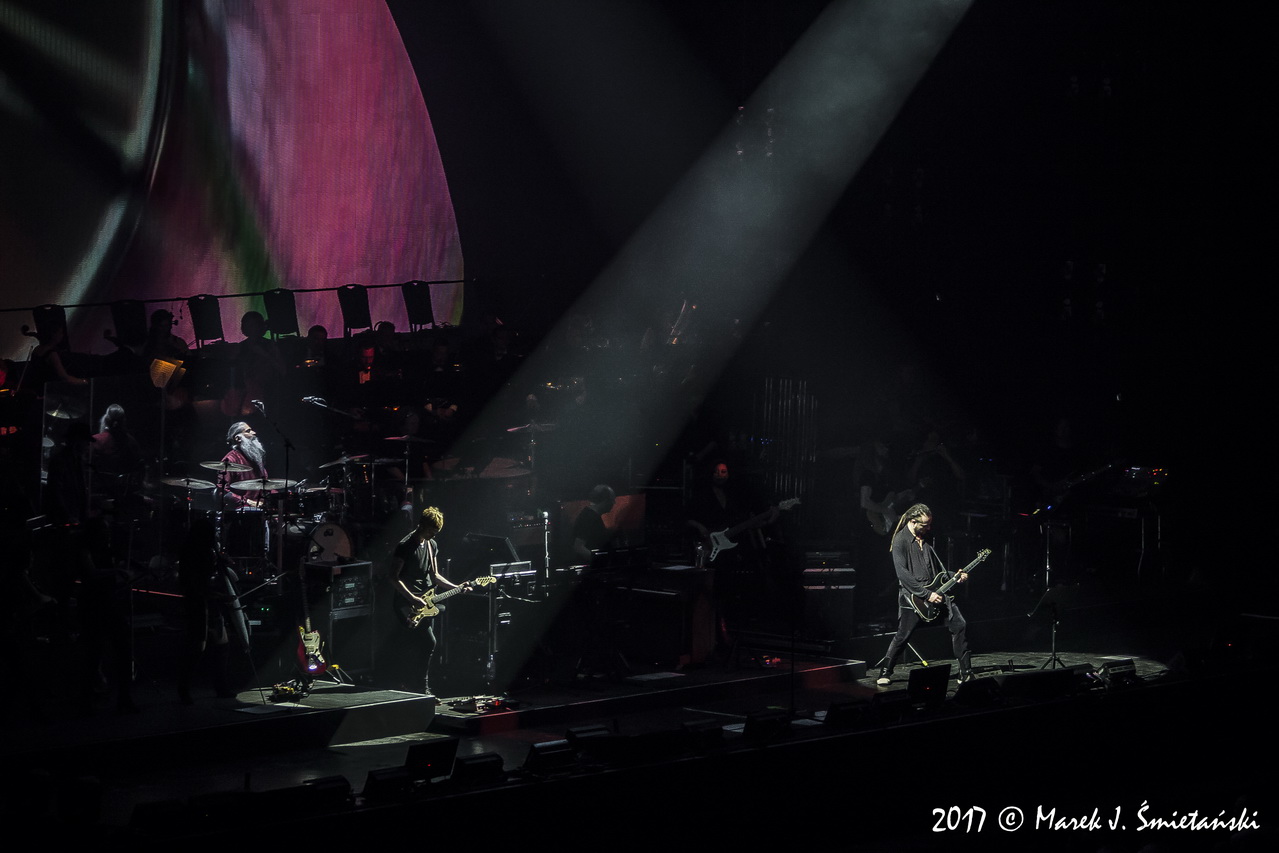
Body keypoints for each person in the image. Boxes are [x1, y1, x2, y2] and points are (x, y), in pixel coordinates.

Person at [876, 503, 973, 685]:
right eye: (925, 525)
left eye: (929, 524)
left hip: (936, 592)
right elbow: (902, 575)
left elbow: (937, 572)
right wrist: (926, 594)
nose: (928, 528)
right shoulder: (900, 540)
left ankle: (966, 672)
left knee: (959, 624)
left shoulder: (926, 541)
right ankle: (885, 671)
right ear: (913, 521)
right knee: (903, 635)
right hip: (913, 597)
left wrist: (955, 576)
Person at [389, 506, 471, 700]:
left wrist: (457, 587)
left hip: (427, 603)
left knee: (423, 644)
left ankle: (415, 687)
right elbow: (393, 577)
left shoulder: (431, 544)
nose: (433, 535)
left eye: (436, 532)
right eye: (431, 531)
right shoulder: (405, 546)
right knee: (427, 642)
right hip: (407, 603)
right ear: (422, 525)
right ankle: (419, 688)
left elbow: (435, 576)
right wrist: (412, 598)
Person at [218, 421, 268, 508]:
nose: (254, 433)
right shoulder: (230, 460)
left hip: (259, 507)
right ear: (238, 438)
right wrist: (247, 502)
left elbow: (266, 485)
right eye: (248, 431)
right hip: (241, 509)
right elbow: (222, 491)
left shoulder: (255, 459)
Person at [570, 484, 616, 564]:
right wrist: (599, 562)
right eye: (612, 500)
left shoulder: (589, 515)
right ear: (605, 500)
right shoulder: (588, 517)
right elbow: (578, 547)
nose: (614, 503)